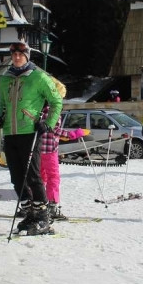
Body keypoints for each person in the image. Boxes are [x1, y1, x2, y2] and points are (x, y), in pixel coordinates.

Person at [0, 40, 63, 235]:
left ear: (27, 55)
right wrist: (0, 117)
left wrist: (48, 123)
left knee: (33, 175)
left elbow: (56, 101)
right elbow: (3, 103)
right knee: (16, 177)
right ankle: (29, 213)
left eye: (21, 53)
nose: (17, 57)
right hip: (11, 132)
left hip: (30, 131)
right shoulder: (4, 79)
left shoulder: (39, 77)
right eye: (14, 53)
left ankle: (43, 216)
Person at [38, 79, 84, 222]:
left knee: (41, 177)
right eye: (61, 96)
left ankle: (38, 204)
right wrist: (73, 134)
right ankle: (52, 206)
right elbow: (54, 130)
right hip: (49, 149)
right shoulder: (53, 110)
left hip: (37, 149)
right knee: (53, 177)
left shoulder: (39, 107)